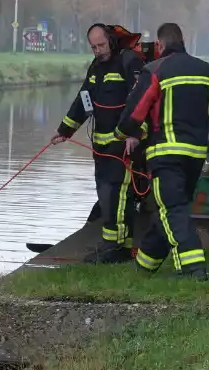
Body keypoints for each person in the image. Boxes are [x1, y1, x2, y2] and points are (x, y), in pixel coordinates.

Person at [116, 22, 209, 280]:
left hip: (165, 154)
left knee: (173, 210)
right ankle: (143, 267)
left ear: (160, 45)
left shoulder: (155, 70)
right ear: (182, 41)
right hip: (195, 156)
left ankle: (193, 268)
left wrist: (122, 133)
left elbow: (131, 118)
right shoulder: (206, 70)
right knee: (170, 208)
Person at [51, 24, 145, 263]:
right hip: (101, 147)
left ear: (111, 41)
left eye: (101, 45)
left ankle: (120, 247)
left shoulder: (129, 62)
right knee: (105, 195)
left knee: (119, 195)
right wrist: (65, 131)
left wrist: (136, 135)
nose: (97, 50)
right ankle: (110, 245)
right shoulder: (96, 67)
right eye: (93, 46)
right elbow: (83, 101)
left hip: (124, 146)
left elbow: (144, 101)